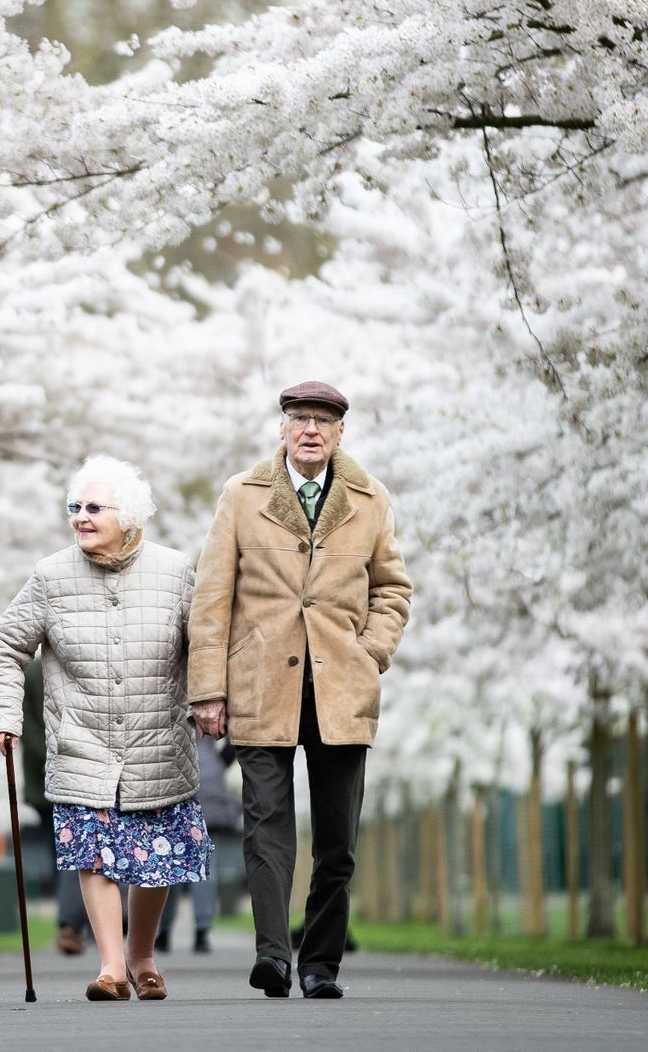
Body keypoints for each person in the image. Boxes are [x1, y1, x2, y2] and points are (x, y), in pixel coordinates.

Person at [189, 381, 412, 999]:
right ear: (281, 428)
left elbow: (392, 589)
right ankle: (271, 957)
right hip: (260, 685)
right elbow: (211, 598)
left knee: (338, 840)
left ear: (340, 433)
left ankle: (320, 963)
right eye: (298, 418)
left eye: (322, 420)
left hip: (342, 688)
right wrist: (208, 689)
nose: (309, 429)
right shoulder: (242, 495)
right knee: (266, 828)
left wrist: (369, 654)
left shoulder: (369, 500)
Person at [0, 455, 208, 1002]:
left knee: (155, 859)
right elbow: (5, 647)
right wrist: (5, 716)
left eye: (93, 508)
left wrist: (209, 701)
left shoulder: (176, 571)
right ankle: (110, 966)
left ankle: (141, 955)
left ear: (128, 516)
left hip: (158, 740)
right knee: (95, 853)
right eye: (74, 508)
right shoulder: (50, 576)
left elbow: (207, 645)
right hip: (81, 741)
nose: (80, 517)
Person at [155, 732, 241, 954]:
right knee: (204, 864)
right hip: (209, 775)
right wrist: (219, 761)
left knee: (168, 862)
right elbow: (233, 732)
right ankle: (202, 932)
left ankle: (163, 932)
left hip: (171, 772)